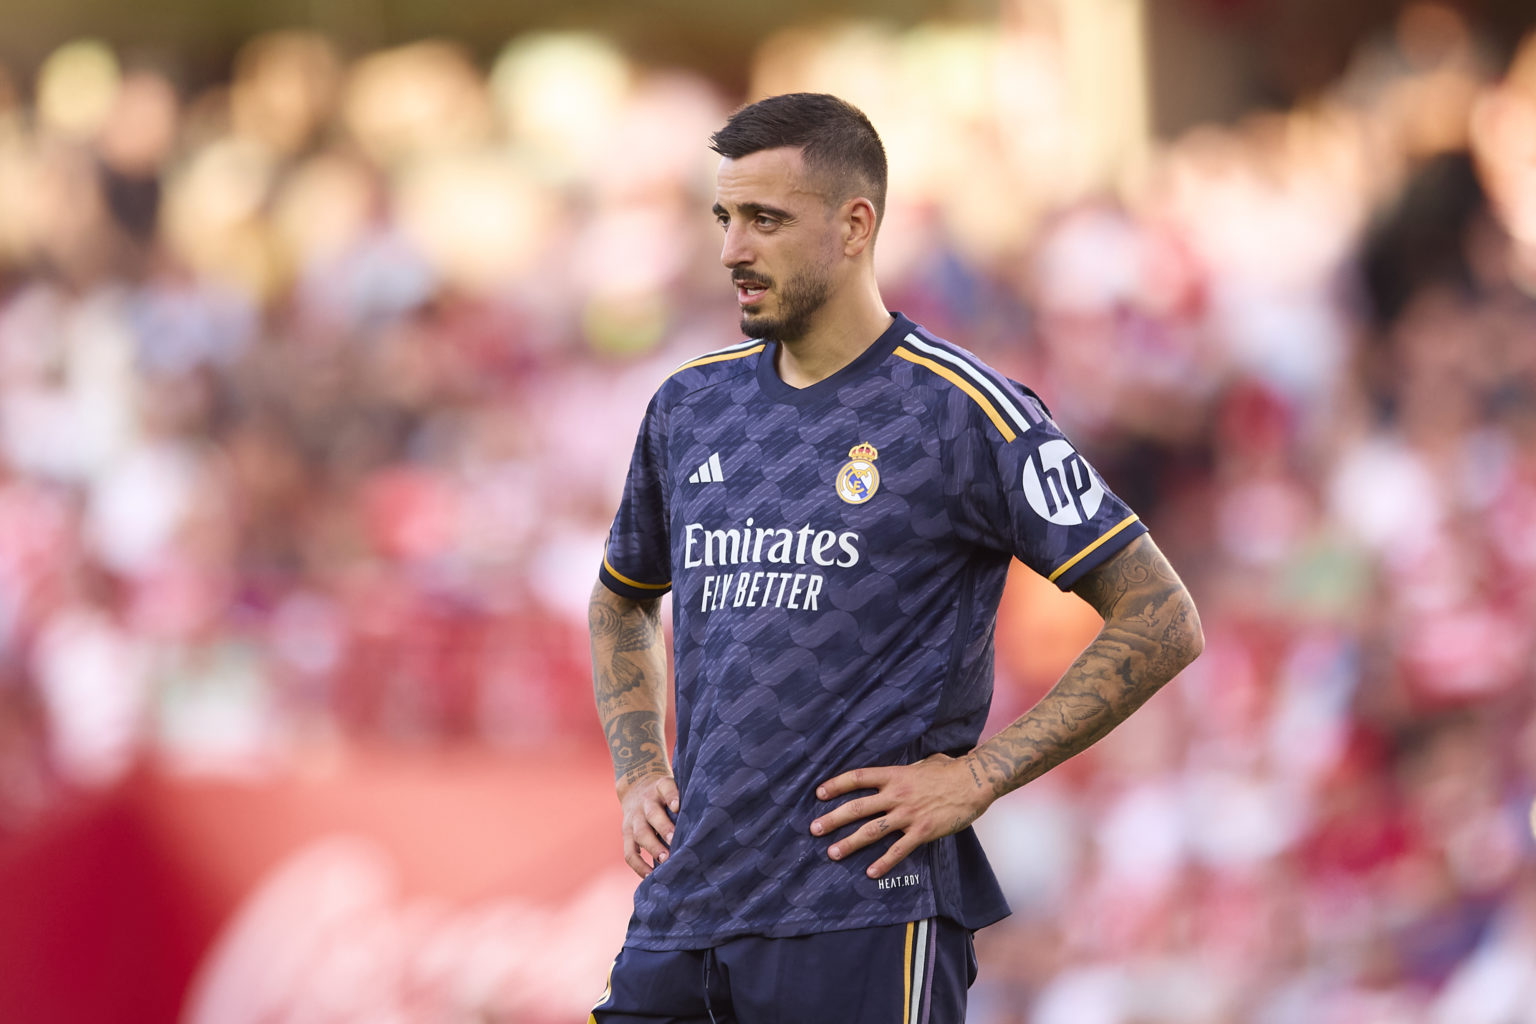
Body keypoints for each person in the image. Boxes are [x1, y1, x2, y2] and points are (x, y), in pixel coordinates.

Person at [587, 92, 1203, 1023]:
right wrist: (639, 769)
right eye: (725, 218)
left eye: (765, 219)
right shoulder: (688, 405)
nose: (732, 250)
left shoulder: (965, 410)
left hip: (865, 912)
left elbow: (1162, 617)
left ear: (854, 225)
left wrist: (981, 775)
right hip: (686, 909)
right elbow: (622, 598)